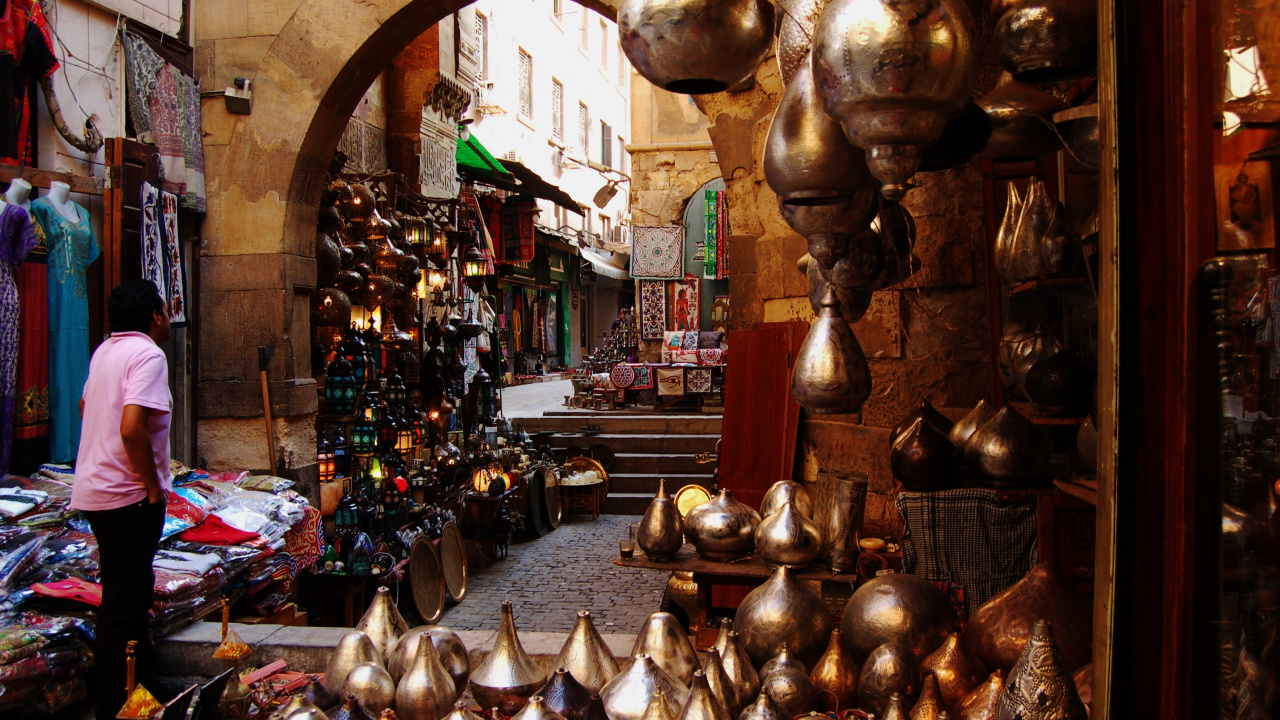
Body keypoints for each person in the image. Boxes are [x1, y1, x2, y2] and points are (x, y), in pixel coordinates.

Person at [69, 279, 171, 720]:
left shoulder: (105, 351)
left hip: (98, 490)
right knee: (122, 604)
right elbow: (131, 427)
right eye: (164, 310)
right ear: (155, 316)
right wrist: (150, 485)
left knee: (131, 591)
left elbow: (84, 407)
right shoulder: (148, 354)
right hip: (127, 495)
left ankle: (141, 685)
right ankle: (115, 703)